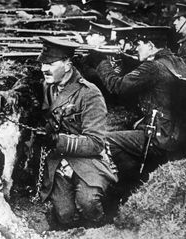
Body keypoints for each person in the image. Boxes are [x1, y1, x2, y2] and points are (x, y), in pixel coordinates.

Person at [95, 26, 186, 199]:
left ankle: (129, 185)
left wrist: (101, 62)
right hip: (176, 133)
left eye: (138, 44)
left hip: (159, 136)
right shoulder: (177, 61)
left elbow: (117, 86)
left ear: (150, 45)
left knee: (106, 140)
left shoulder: (153, 67)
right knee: (127, 126)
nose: (135, 48)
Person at [35, 36, 118, 228]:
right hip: (59, 158)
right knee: (64, 214)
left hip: (87, 159)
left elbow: (96, 142)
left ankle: (101, 228)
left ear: (67, 65)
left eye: (50, 63)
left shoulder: (89, 93)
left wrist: (58, 140)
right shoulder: (48, 85)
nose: (43, 69)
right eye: (42, 64)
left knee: (88, 204)